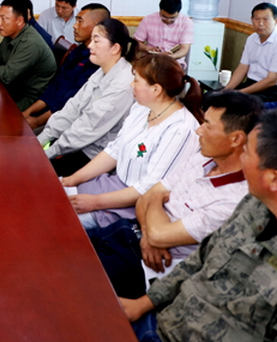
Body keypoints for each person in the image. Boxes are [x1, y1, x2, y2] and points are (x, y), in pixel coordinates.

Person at [120, 108, 277, 342]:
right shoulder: (254, 205)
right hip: (163, 321)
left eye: (246, 152)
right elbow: (201, 259)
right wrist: (144, 303)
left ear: (273, 179)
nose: (240, 159)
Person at [89, 90, 260, 300]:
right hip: (131, 232)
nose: (198, 130)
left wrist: (155, 204)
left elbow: (159, 230)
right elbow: (145, 199)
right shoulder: (203, 158)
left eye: (207, 125)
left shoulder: (236, 198)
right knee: (65, 248)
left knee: (73, 278)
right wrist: (148, 231)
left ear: (236, 139)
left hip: (149, 265)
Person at [60, 54, 202, 232]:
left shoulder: (181, 129)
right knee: (51, 193)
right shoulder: (141, 108)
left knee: (58, 217)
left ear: (156, 89)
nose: (131, 84)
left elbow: (149, 188)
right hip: (110, 187)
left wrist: (94, 202)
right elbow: (114, 151)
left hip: (134, 206)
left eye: (136, 81)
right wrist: (73, 179)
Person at [40, 18, 138, 176]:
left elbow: (88, 128)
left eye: (96, 41)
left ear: (115, 48)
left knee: (35, 171)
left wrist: (48, 153)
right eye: (91, 40)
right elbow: (73, 108)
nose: (90, 45)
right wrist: (43, 139)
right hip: (76, 144)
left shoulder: (123, 85)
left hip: (95, 156)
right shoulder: (102, 70)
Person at [22, 3, 109, 131]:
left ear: (97, 26)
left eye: (80, 21)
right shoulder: (76, 52)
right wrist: (28, 112)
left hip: (69, 122)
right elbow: (55, 85)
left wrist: (37, 122)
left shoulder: (97, 61)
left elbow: (72, 100)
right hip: (49, 113)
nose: (75, 26)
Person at [225, 2, 277, 102]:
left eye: (266, 19)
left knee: (234, 103)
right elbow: (242, 67)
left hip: (274, 90)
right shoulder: (252, 38)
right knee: (212, 96)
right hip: (251, 84)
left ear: (276, 21)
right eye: (257, 19)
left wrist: (239, 93)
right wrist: (226, 90)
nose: (261, 23)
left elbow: (272, 80)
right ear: (252, 20)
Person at [135, 0, 194, 69]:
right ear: (160, 10)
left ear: (178, 13)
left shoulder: (186, 23)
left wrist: (171, 56)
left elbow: (184, 49)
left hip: (174, 60)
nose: (168, 20)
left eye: (172, 18)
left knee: (171, 71)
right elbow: (136, 43)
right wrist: (148, 48)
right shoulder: (148, 19)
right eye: (164, 16)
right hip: (151, 59)